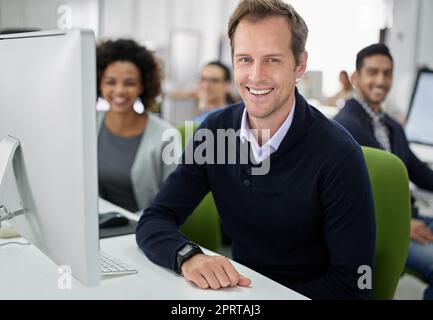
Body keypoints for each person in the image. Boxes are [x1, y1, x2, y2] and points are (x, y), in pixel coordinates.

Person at [136, 0, 375, 300]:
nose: (256, 75)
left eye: (272, 59)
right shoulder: (215, 132)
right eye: (245, 59)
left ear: (299, 65)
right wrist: (188, 256)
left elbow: (354, 286)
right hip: (239, 294)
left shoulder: (339, 156)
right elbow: (155, 217)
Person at [334, 43, 433, 300]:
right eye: (373, 72)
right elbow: (349, 198)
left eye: (387, 73)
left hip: (409, 217)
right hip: (380, 227)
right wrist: (403, 223)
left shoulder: (390, 125)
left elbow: (418, 170)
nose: (381, 80)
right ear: (356, 78)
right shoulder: (342, 128)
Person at [96, 39, 181, 213]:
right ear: (99, 83)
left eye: (130, 83)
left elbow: (174, 199)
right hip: (93, 226)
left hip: (142, 230)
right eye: (111, 82)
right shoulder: (86, 126)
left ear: (143, 86)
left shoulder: (166, 136)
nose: (119, 90)